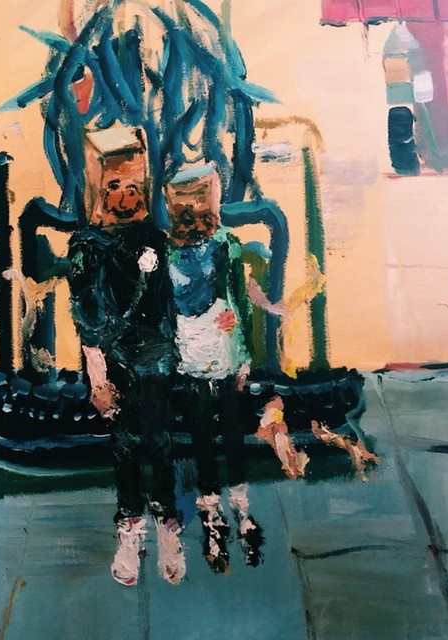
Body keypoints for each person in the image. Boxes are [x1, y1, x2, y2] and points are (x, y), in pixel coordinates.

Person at [67, 126, 185, 586]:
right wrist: (97, 376)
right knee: (124, 443)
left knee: (159, 439)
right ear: (98, 187)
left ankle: (167, 524)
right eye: (115, 185)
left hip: (154, 354)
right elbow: (86, 317)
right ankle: (130, 528)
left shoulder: (155, 238)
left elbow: (164, 306)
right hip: (111, 356)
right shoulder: (87, 246)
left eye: (134, 185)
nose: (125, 195)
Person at [166, 163, 264, 573]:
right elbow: (164, 306)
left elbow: (239, 301)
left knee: (232, 429)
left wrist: (243, 355)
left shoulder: (226, 244)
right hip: (189, 349)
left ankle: (240, 506)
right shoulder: (166, 253)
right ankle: (211, 510)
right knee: (202, 432)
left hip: (222, 348)